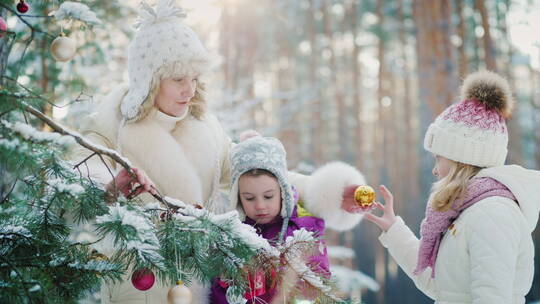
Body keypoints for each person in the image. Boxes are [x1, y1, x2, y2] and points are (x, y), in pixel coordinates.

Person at [71, 1, 367, 303]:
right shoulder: (113, 126)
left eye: (195, 79)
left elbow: (258, 175)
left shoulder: (206, 127)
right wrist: (108, 189)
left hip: (201, 285)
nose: (190, 90)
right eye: (178, 80)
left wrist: (326, 193)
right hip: (140, 286)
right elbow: (73, 183)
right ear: (148, 79)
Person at [364, 70, 540, 303]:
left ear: (460, 158)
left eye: (439, 158)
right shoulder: (467, 211)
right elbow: (440, 287)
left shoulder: (492, 214)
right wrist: (393, 229)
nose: (435, 170)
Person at [210, 136, 330, 303]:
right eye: (249, 198)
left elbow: (320, 283)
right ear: (237, 198)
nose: (260, 205)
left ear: (283, 191)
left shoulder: (304, 230)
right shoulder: (232, 236)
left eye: (268, 196)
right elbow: (219, 293)